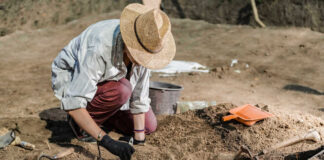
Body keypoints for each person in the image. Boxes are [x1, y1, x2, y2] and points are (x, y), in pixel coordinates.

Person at [51, 3, 176, 160]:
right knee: (122, 89)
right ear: (130, 45)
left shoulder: (148, 44)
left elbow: (140, 99)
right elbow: (74, 103)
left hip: (110, 87)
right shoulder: (99, 48)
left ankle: (103, 115)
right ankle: (80, 127)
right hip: (74, 83)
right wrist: (108, 142)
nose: (143, 61)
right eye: (141, 55)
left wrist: (139, 141)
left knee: (148, 126)